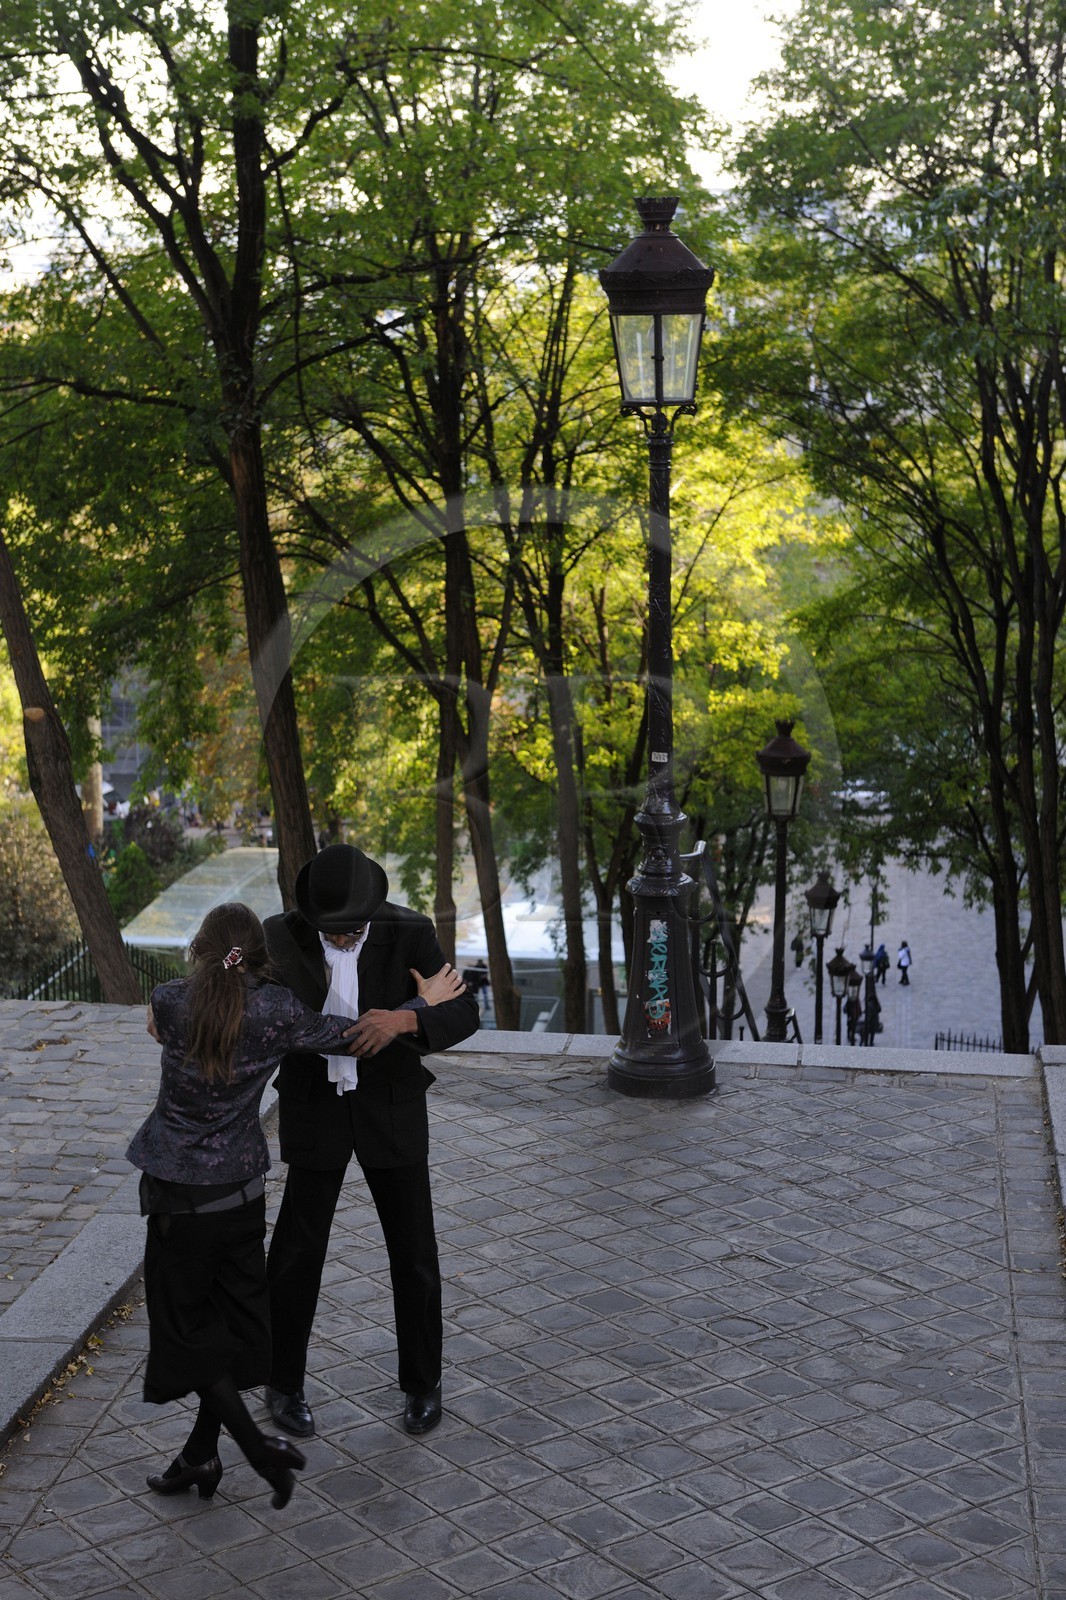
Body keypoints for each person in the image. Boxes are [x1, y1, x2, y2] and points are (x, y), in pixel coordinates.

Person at [127, 902, 364, 1510]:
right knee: (230, 1335)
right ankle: (200, 1455)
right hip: (241, 1201)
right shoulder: (279, 1010)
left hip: (180, 1201)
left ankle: (257, 1450)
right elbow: (350, 1036)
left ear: (200, 949)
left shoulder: (171, 1002)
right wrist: (419, 1007)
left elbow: (165, 1015)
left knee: (187, 1337)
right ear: (260, 956)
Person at [263, 844, 480, 1441]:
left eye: (350, 931)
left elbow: (465, 1010)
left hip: (391, 1106)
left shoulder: (411, 931)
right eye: (328, 931)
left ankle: (423, 1383)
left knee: (414, 1253)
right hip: (314, 1106)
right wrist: (187, 990)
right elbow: (226, 967)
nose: (339, 939)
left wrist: (406, 1018)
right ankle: (282, 1383)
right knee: (295, 1255)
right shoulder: (275, 935)